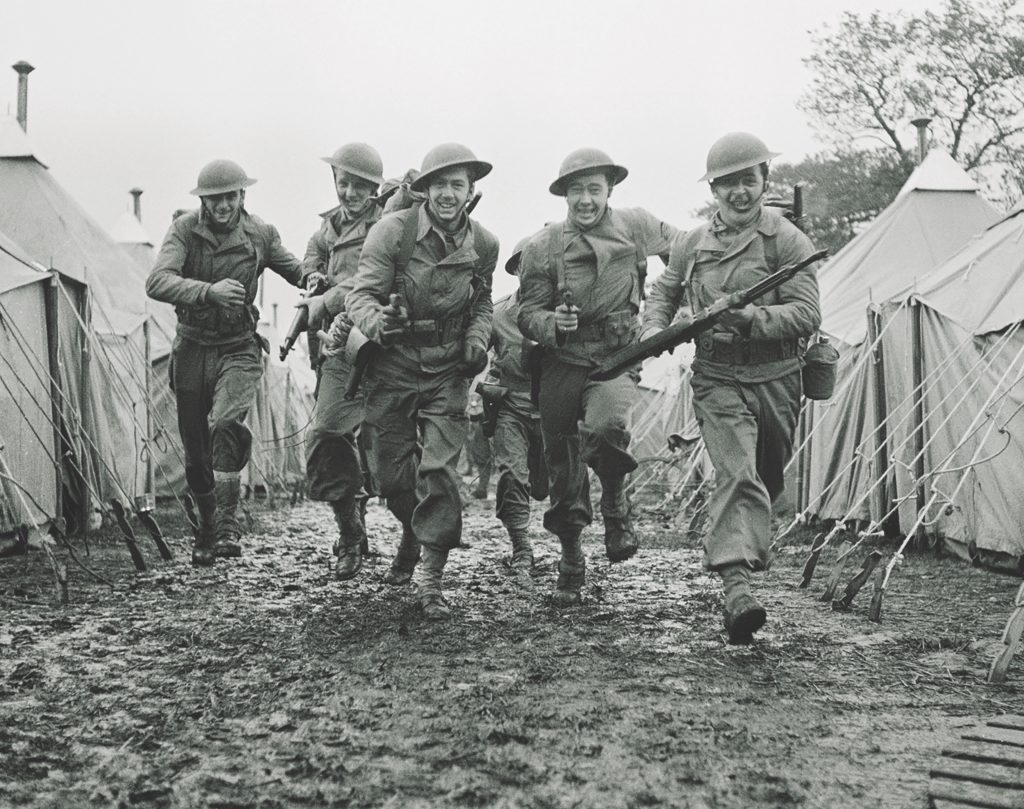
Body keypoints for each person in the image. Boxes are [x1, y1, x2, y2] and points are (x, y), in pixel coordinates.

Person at [642, 132, 821, 644]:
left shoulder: (787, 240)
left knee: (765, 475)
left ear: (765, 181)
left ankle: (741, 550)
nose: (739, 192)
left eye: (748, 180)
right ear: (714, 189)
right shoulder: (691, 243)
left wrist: (752, 318)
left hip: (777, 378)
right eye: (728, 183)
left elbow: (807, 314)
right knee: (737, 473)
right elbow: (665, 291)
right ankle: (737, 587)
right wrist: (655, 327)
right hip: (717, 376)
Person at [517, 148, 678, 605]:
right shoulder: (543, 246)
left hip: (617, 355)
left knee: (609, 426)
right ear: (564, 194)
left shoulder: (636, 226)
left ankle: (615, 504)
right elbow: (527, 311)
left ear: (610, 189)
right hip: (561, 362)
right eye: (576, 191)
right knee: (562, 461)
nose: (585, 200)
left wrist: (671, 304)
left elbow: (686, 251)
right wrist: (552, 325)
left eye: (594, 189)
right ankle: (571, 554)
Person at [345, 142, 498, 619]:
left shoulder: (484, 244)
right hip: (392, 365)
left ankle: (430, 578)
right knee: (391, 479)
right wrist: (378, 323)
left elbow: (483, 303)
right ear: (425, 189)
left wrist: (478, 338)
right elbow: (360, 296)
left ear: (471, 191)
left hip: (447, 369)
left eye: (458, 185)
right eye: (440, 184)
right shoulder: (392, 232)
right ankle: (413, 529)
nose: (448, 194)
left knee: (439, 471)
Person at [147, 159, 303, 566]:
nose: (222, 205)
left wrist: (320, 277)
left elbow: (297, 271)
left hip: (238, 346)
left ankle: (229, 522)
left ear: (242, 196)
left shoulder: (260, 235)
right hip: (193, 346)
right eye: (214, 198)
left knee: (225, 421)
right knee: (197, 451)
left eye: (230, 196)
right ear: (203, 200)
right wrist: (207, 291)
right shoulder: (184, 230)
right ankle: (207, 526)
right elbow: (157, 281)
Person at [299, 143, 385, 580]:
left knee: (386, 449)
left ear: (375, 188)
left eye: (359, 185)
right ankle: (349, 533)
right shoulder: (326, 228)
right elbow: (310, 260)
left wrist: (328, 295)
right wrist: (312, 276)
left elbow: (368, 277)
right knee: (329, 433)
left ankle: (419, 550)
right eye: (343, 182)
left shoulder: (387, 224)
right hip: (338, 346)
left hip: (385, 342)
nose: (349, 191)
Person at [480, 236, 549, 580]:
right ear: (517, 270)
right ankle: (521, 545)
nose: (532, 271)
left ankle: (572, 548)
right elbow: (476, 349)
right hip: (511, 406)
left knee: (550, 484)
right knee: (512, 475)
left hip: (553, 408)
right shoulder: (499, 313)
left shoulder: (565, 313)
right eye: (525, 265)